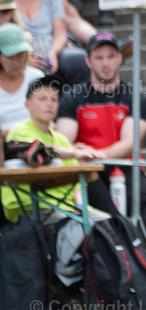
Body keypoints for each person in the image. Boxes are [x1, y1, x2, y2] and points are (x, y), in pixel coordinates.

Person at [57, 33, 146, 248]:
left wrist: (94, 153)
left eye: (111, 56)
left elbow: (130, 143)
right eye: (99, 57)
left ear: (120, 58)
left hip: (124, 164)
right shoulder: (73, 97)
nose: (106, 63)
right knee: (93, 183)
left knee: (143, 194)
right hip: (88, 169)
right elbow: (63, 140)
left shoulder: (136, 97)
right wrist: (82, 155)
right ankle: (125, 232)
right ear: (88, 61)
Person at [0, 74, 107, 225]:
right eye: (42, 99)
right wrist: (74, 152)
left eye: (54, 99)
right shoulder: (20, 130)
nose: (49, 104)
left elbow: (77, 183)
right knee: (78, 227)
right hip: (30, 206)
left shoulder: (61, 139)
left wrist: (80, 205)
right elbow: (39, 150)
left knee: (112, 225)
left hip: (66, 207)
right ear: (27, 105)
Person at [0, 22, 44, 131]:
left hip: (37, 142)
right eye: (10, 57)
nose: (16, 63)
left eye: (20, 56)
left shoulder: (37, 77)